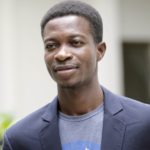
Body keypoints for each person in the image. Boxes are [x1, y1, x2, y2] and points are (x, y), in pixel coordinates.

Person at [2, 1, 150, 150]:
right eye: (51, 46)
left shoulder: (144, 123)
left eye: (75, 42)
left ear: (100, 50)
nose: (61, 54)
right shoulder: (19, 139)